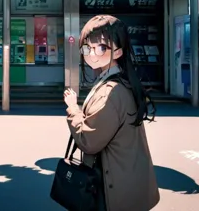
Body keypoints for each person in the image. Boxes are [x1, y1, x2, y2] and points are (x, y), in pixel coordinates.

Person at [63, 15, 159, 211]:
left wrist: (73, 107)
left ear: (118, 51)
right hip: (127, 177)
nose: (92, 54)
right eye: (87, 48)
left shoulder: (111, 92)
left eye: (101, 47)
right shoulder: (123, 81)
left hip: (112, 187)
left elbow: (89, 140)